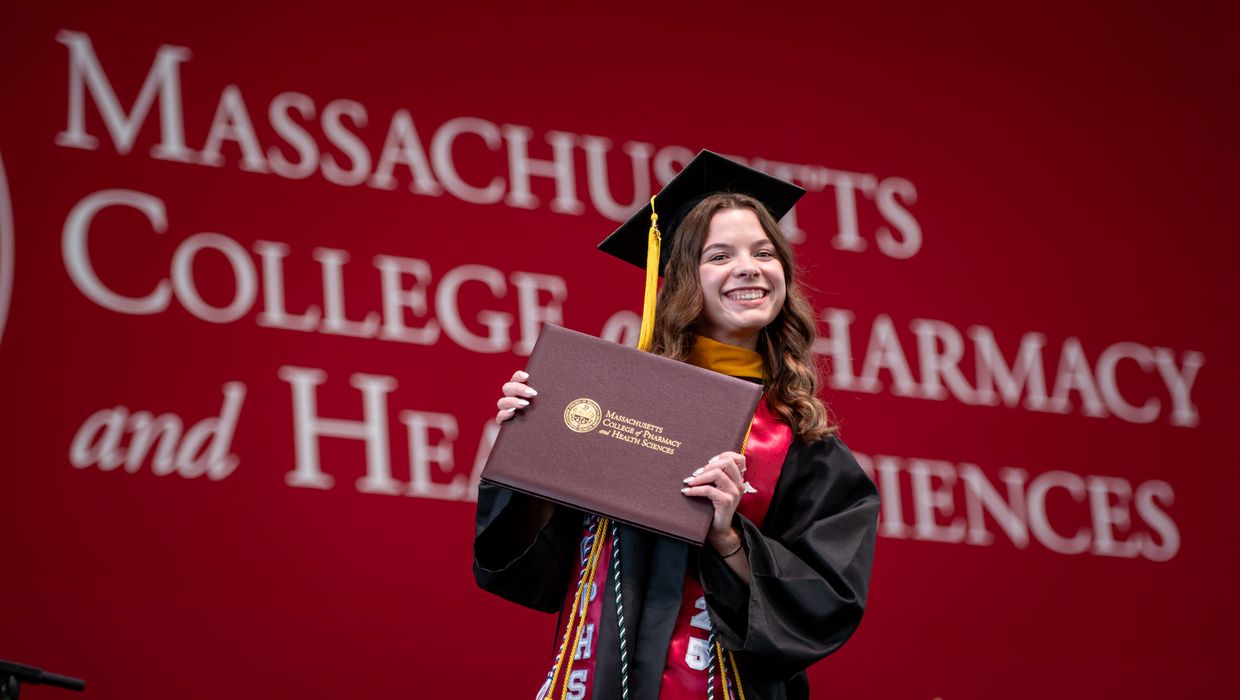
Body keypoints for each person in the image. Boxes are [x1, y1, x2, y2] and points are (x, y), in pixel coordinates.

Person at [474, 150, 879, 700]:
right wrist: (531, 448)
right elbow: (524, 565)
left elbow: (827, 603)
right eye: (720, 255)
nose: (749, 267)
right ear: (680, 280)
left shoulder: (808, 450)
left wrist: (729, 537)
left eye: (765, 252)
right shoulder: (615, 404)